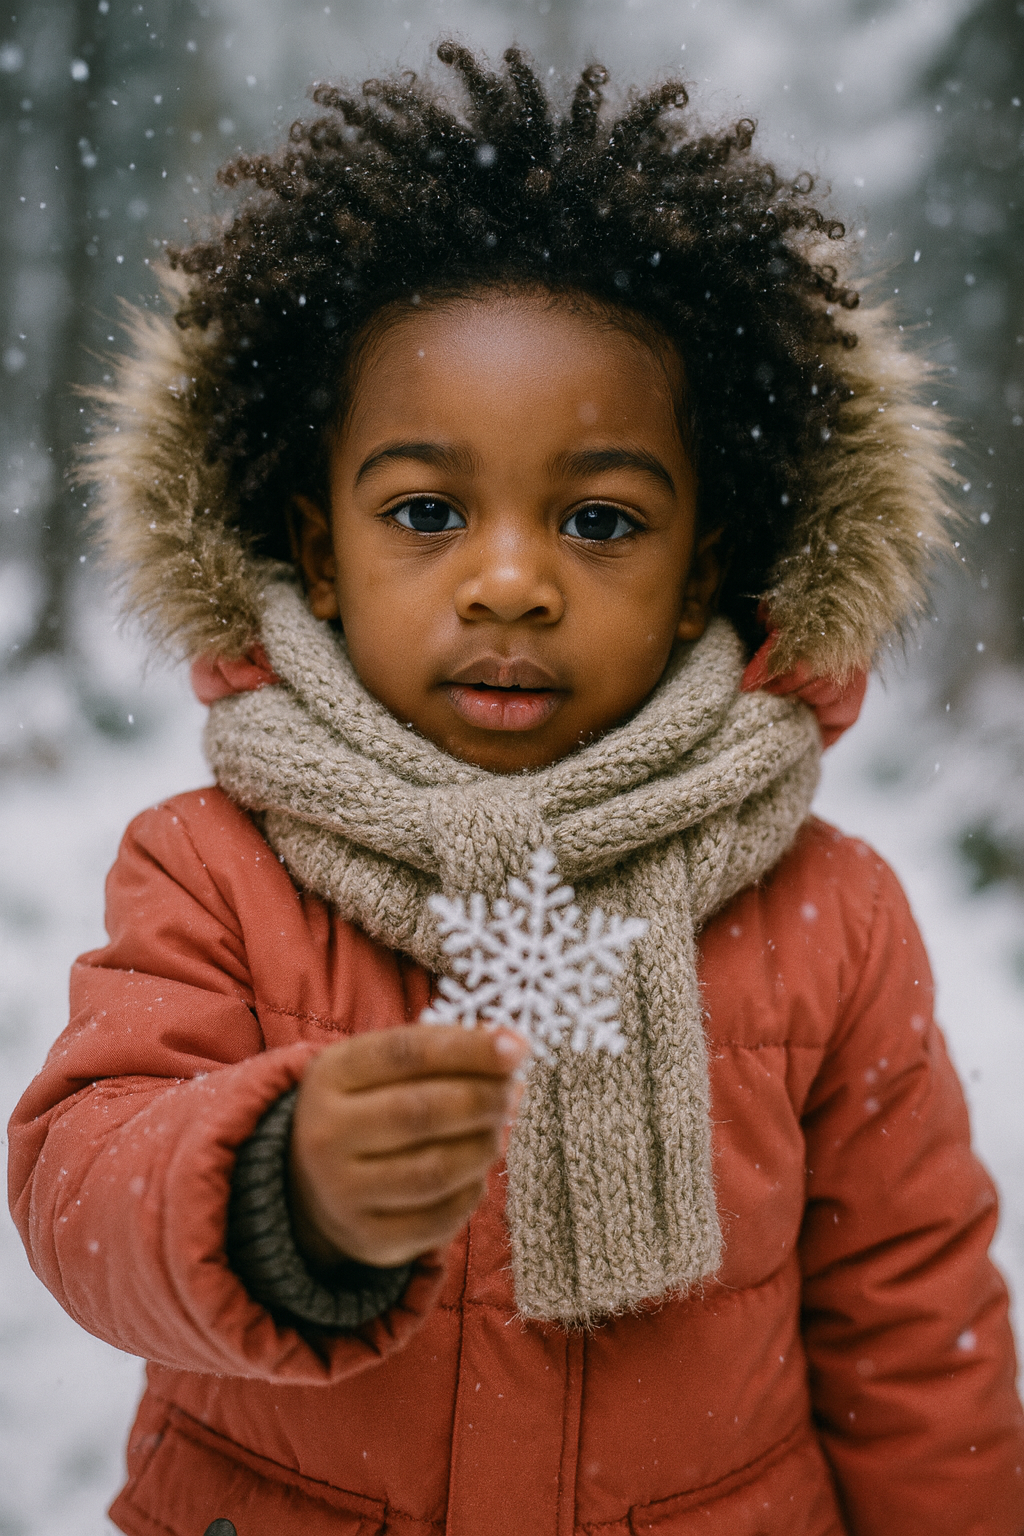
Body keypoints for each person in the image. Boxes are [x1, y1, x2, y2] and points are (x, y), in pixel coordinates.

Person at [8, 43, 1024, 1536]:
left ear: (701, 581)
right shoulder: (214, 867)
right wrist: (279, 1192)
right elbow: (81, 1187)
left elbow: (912, 1328)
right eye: (426, 510)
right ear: (319, 546)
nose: (508, 581)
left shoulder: (831, 917)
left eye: (599, 519)